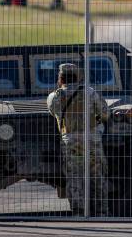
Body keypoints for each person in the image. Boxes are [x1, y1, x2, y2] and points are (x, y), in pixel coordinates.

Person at [47, 63, 110, 216]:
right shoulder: (90, 93)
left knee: (74, 176)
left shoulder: (54, 97)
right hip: (92, 139)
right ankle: (101, 211)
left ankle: (79, 211)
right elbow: (105, 113)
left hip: (70, 140)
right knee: (97, 175)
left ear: (60, 78)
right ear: (78, 76)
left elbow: (54, 113)